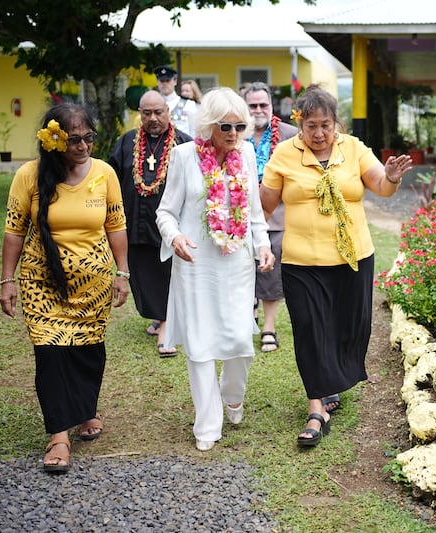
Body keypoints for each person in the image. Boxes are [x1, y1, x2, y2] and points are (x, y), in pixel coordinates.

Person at [260, 84, 413, 447]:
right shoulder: (283, 154)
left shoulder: (354, 147)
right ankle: (316, 408)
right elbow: (264, 206)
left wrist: (391, 176)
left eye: (325, 125)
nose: (319, 133)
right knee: (309, 329)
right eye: (310, 125)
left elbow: (380, 185)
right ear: (300, 124)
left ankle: (332, 382)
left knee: (350, 326)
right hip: (302, 261)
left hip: (352, 258)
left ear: (335, 123)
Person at [0, 103, 129, 473]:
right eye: (74, 139)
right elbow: (14, 231)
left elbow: (115, 226)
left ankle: (86, 410)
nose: (84, 145)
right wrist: (7, 280)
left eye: (89, 137)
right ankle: (58, 435)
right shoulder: (29, 175)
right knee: (50, 354)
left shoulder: (104, 173)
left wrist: (123, 273)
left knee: (88, 351)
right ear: (53, 139)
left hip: (94, 283)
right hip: (42, 281)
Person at [156, 87, 275, 451]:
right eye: (227, 126)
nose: (235, 134)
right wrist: (174, 237)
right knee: (201, 345)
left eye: (241, 126)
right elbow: (165, 212)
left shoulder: (248, 156)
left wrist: (264, 246)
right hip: (195, 265)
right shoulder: (183, 156)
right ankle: (207, 423)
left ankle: (232, 394)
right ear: (209, 125)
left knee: (241, 342)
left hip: (236, 264)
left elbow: (254, 214)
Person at [109, 90, 193, 356]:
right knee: (144, 274)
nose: (153, 118)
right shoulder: (127, 142)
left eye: (159, 112)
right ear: (140, 114)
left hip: (172, 227)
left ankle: (167, 327)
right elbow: (112, 178)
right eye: (147, 113)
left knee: (169, 275)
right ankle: (160, 317)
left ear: (168, 110)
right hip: (136, 224)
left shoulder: (184, 143)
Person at [242, 81, 297, 353]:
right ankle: (246, 316)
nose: (258, 110)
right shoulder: (234, 133)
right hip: (238, 216)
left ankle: (269, 327)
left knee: (271, 271)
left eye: (263, 105)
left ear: (272, 106)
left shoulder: (290, 135)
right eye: (252, 105)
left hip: (277, 215)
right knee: (242, 268)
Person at [154, 65, 198, 137]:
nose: (165, 84)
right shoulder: (153, 105)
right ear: (157, 82)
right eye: (162, 81)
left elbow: (194, 132)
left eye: (168, 80)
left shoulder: (188, 104)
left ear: (175, 81)